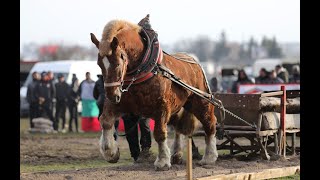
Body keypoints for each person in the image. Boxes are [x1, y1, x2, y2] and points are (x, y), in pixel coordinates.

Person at [93, 74, 119, 140]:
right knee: (114, 119)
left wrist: (99, 99)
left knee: (103, 119)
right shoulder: (113, 80)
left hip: (101, 103)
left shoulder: (98, 82)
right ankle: (114, 134)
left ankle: (105, 134)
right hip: (111, 103)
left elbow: (95, 94)